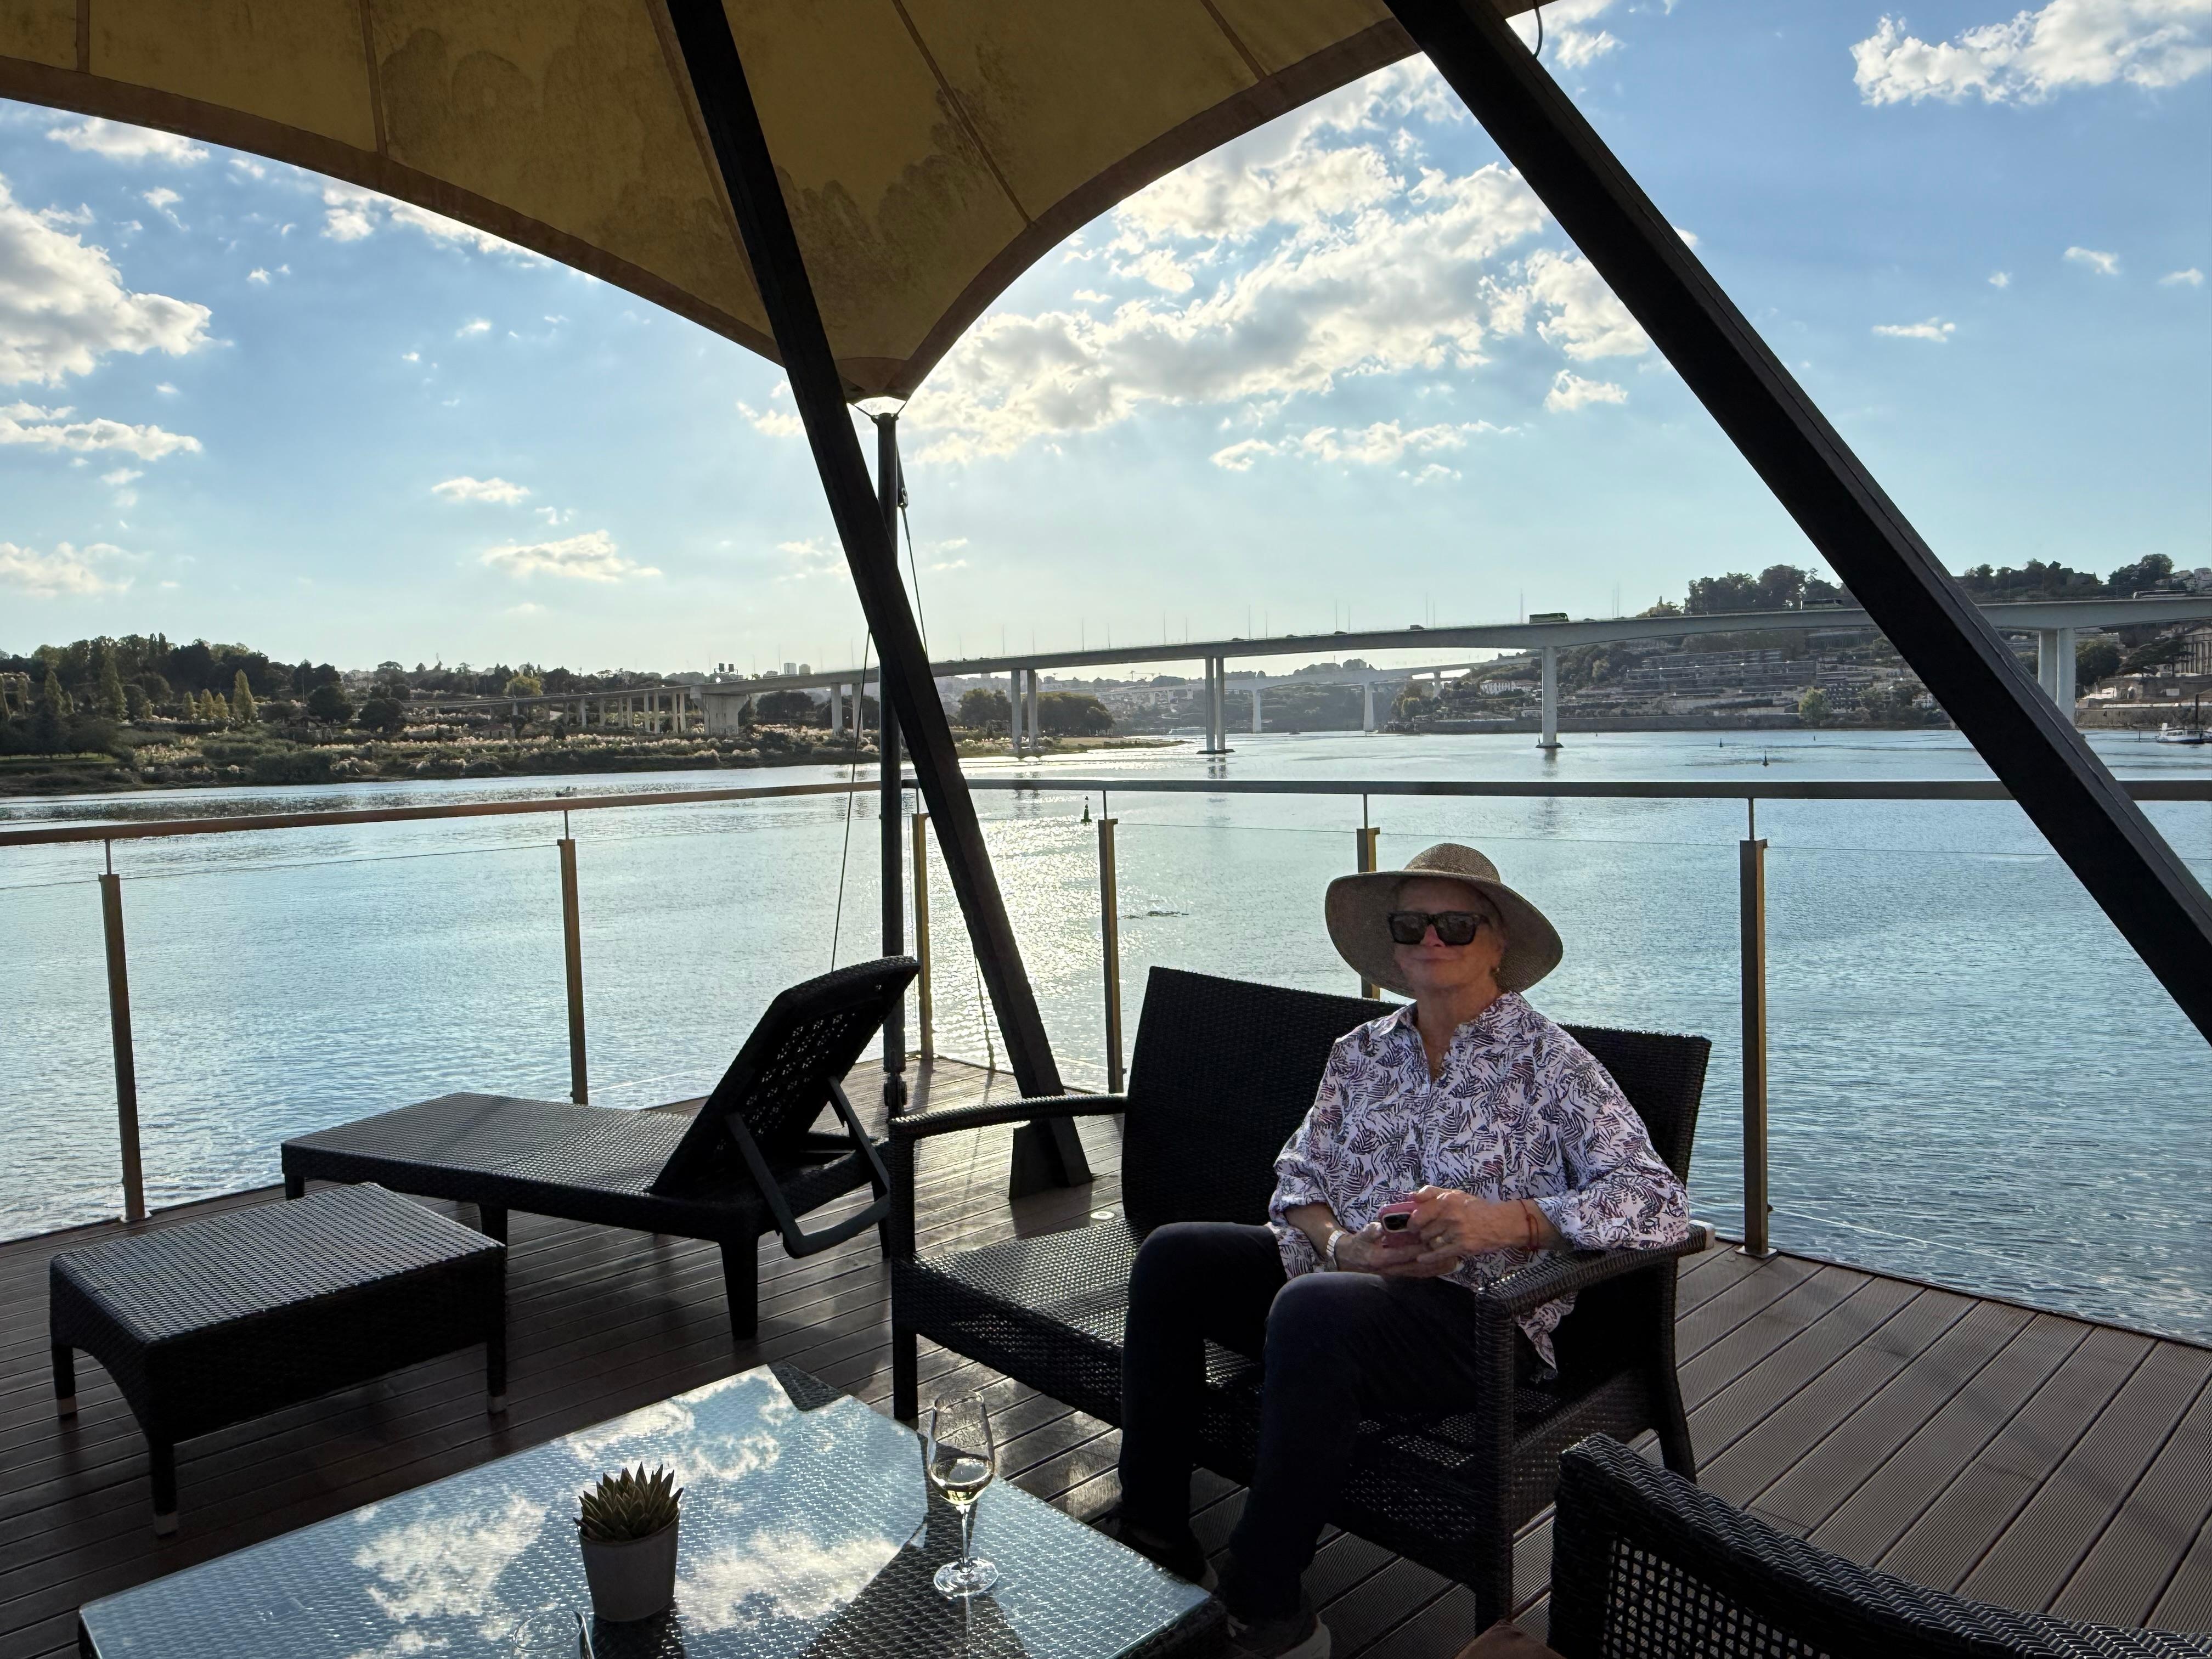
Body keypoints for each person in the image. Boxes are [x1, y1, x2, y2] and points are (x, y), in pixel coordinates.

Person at [1107, 843, 1691, 1659]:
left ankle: (1264, 1606)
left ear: (1497, 945)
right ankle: (1154, 1531)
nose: (1432, 939)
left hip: (1481, 1321)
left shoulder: (1551, 1064)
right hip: (1341, 1287)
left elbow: (1659, 1201)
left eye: (1456, 923)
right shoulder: (1361, 1054)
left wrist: (1510, 1221)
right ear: (1392, 943)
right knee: (1174, 1258)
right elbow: (1297, 1181)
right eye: (1412, 923)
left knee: (1311, 1310)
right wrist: (1344, 1245)